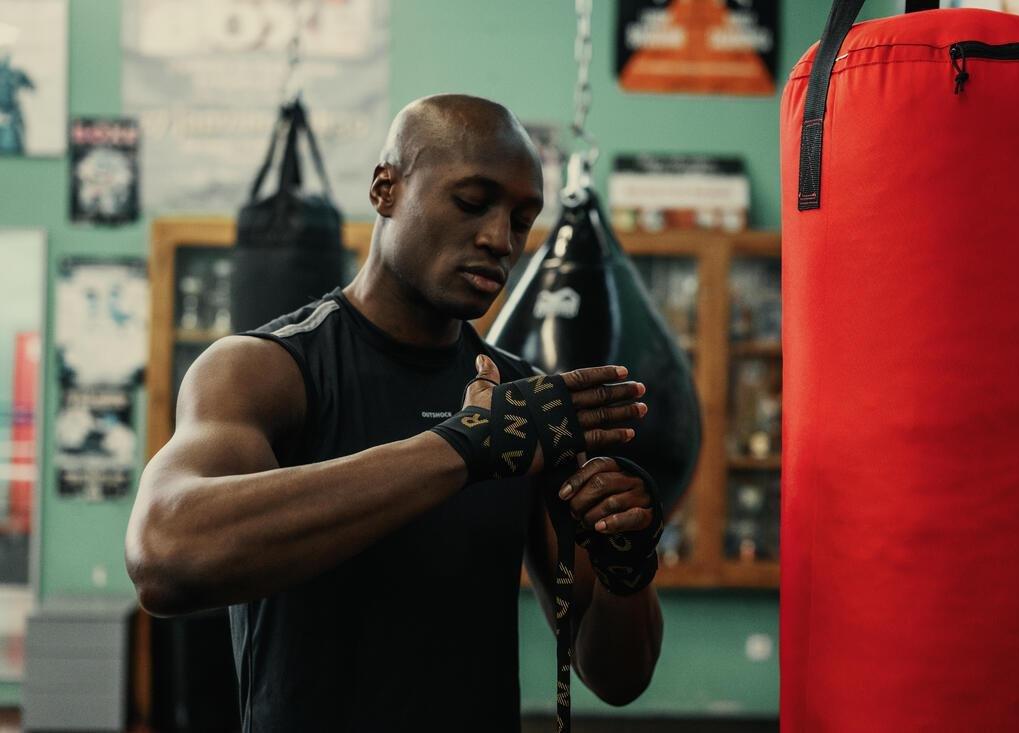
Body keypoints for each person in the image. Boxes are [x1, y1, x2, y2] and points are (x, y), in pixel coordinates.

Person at [126, 94, 664, 732]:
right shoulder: (266, 372)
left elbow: (617, 678)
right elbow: (165, 557)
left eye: (522, 220)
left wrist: (628, 567)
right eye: (472, 202)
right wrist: (460, 448)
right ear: (386, 188)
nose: (500, 239)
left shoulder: (523, 407)